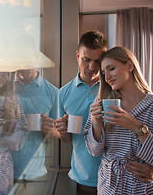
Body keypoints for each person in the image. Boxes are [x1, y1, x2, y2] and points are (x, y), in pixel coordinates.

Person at [84, 46, 153, 194]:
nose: (107, 77)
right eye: (103, 73)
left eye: (111, 68)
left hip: (141, 189)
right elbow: (94, 152)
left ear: (129, 66)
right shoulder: (102, 104)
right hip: (109, 188)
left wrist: (136, 126)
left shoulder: (151, 106)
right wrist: (96, 123)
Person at [55, 30, 108, 194]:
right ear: (78, 56)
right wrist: (62, 131)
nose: (92, 67)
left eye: (98, 61)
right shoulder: (63, 93)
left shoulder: (115, 88)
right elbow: (65, 138)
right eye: (86, 60)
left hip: (116, 177)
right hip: (83, 178)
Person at [11, 68, 58, 180]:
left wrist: (49, 131)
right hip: (2, 172)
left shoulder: (53, 92)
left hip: (35, 174)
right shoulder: (4, 88)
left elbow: (56, 134)